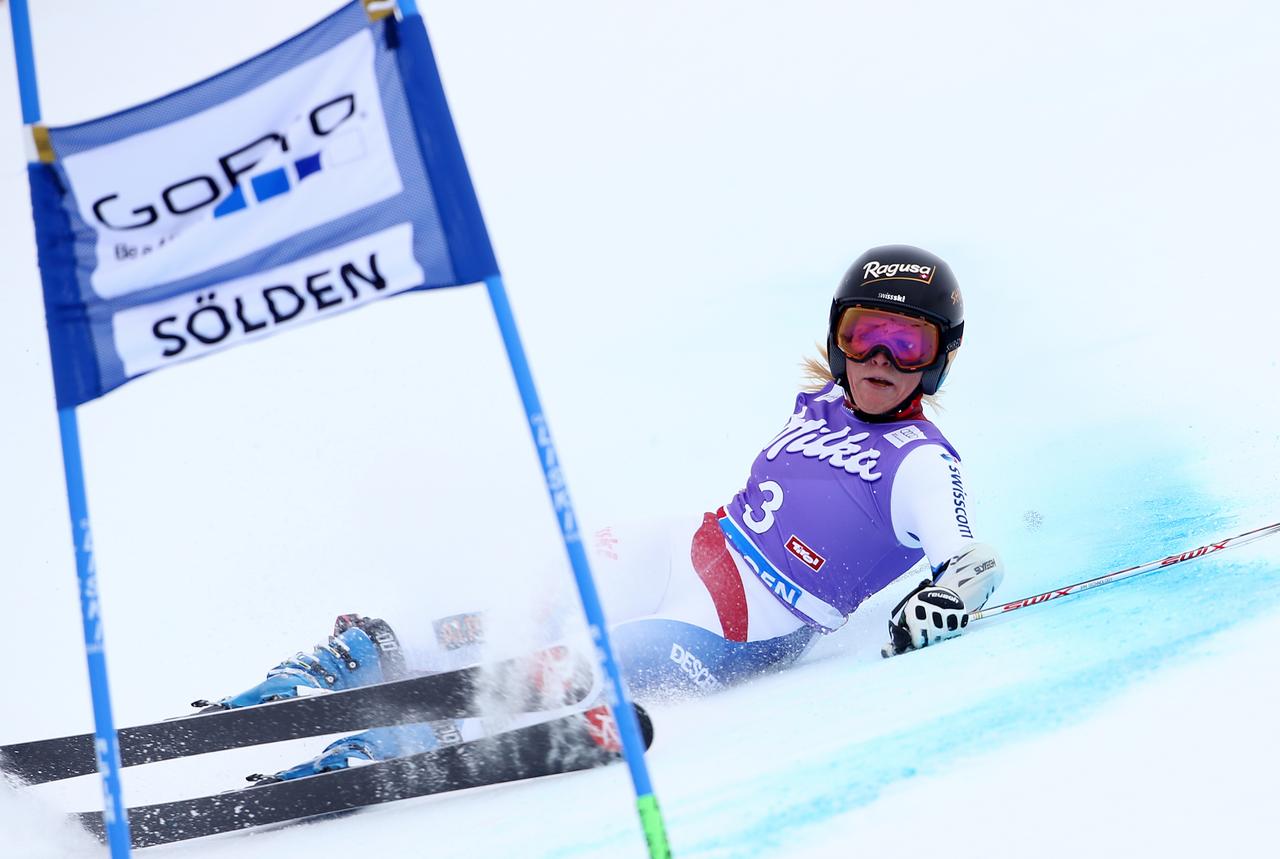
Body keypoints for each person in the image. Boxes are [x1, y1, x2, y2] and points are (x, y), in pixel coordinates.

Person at [209, 244, 1006, 780]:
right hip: (690, 545)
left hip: (742, 625)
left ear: (940, 358)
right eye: (865, 335)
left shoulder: (923, 465)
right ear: (836, 338)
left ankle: (406, 739)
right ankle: (356, 659)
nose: (879, 360)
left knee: (582, 658)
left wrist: (941, 603)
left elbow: (973, 563)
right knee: (539, 596)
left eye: (909, 345)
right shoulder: (824, 396)